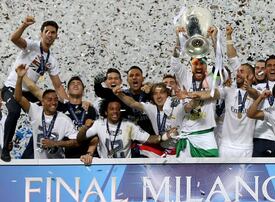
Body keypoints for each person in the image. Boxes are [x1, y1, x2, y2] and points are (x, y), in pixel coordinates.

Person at [1, 16, 69, 162]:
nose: (50, 34)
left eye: (53, 32)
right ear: (41, 33)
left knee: (52, 111)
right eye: (47, 31)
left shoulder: (51, 60)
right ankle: (5, 147)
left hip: (29, 93)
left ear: (56, 36)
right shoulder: (31, 46)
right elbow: (14, 39)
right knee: (14, 111)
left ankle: (31, 152)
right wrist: (24, 25)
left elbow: (58, 85)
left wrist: (69, 103)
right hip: (13, 87)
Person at [188, 63, 259, 157]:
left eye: (241, 71)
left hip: (245, 147)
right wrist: (191, 94)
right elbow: (210, 93)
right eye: (237, 71)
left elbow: (256, 95)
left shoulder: (258, 92)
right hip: (226, 146)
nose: (237, 74)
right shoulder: (229, 91)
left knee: (243, 172)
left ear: (250, 76)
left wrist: (249, 89)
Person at [77, 99, 170, 165]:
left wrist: (165, 136)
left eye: (118, 109)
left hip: (125, 166)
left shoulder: (129, 125)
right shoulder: (99, 123)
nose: (115, 111)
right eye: (112, 109)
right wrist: (85, 127)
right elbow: (80, 139)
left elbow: (149, 139)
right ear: (105, 112)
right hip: (105, 165)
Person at [14, 65, 78, 160]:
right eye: (50, 99)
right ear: (42, 102)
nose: (53, 102)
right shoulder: (35, 111)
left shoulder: (64, 119)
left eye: (56, 100)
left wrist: (56, 143)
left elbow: (76, 142)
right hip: (39, 164)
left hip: (57, 165)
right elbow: (18, 98)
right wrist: (19, 78)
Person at [114, 83, 184, 157]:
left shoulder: (177, 106)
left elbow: (189, 106)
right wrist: (120, 94)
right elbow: (132, 103)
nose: (158, 96)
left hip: (181, 149)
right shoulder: (151, 108)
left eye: (162, 93)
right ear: (152, 97)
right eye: (155, 93)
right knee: (137, 148)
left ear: (168, 94)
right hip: (164, 149)